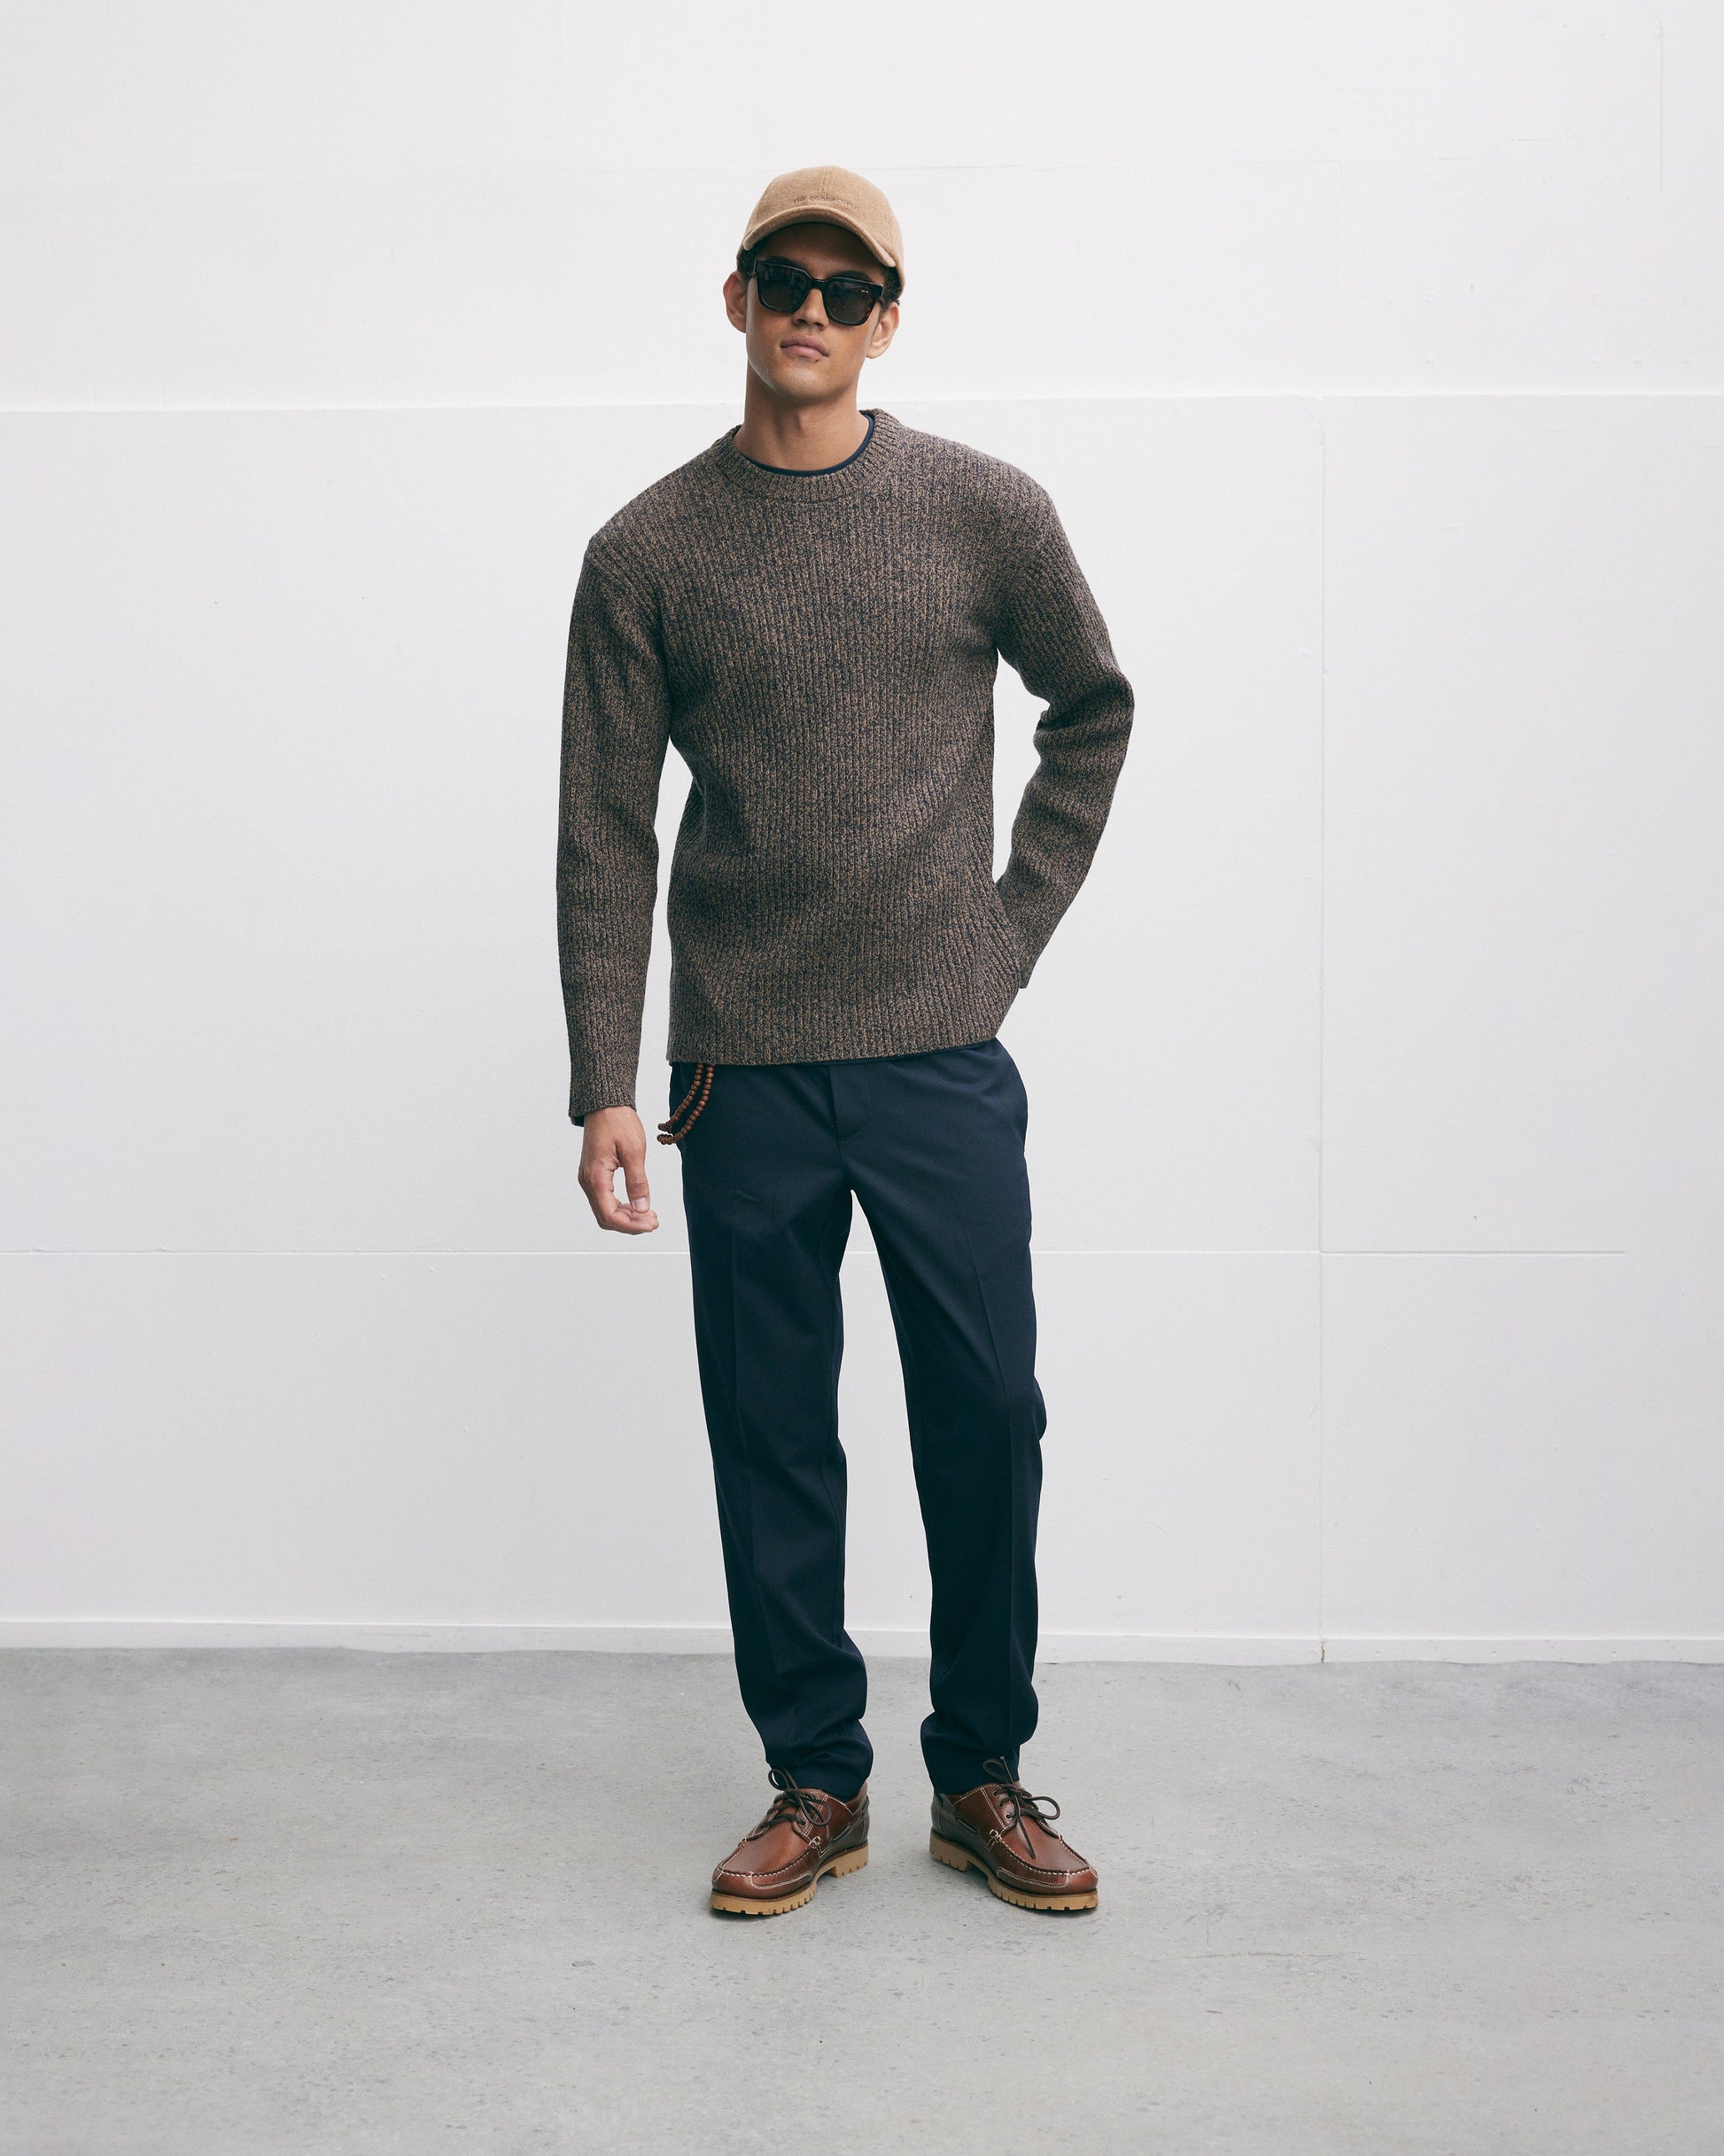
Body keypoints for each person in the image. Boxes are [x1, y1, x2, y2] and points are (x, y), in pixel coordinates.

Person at [556, 166, 1134, 1918]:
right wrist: (603, 1079)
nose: (810, 308)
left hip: (937, 1051)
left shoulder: (982, 509)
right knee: (772, 1431)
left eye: (846, 285)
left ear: (887, 318)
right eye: (780, 276)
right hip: (740, 1066)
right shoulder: (646, 551)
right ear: (733, 297)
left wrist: (1005, 929)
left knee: (988, 1411)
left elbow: (1092, 707)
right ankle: (815, 1775)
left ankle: (981, 1771)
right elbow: (605, 825)